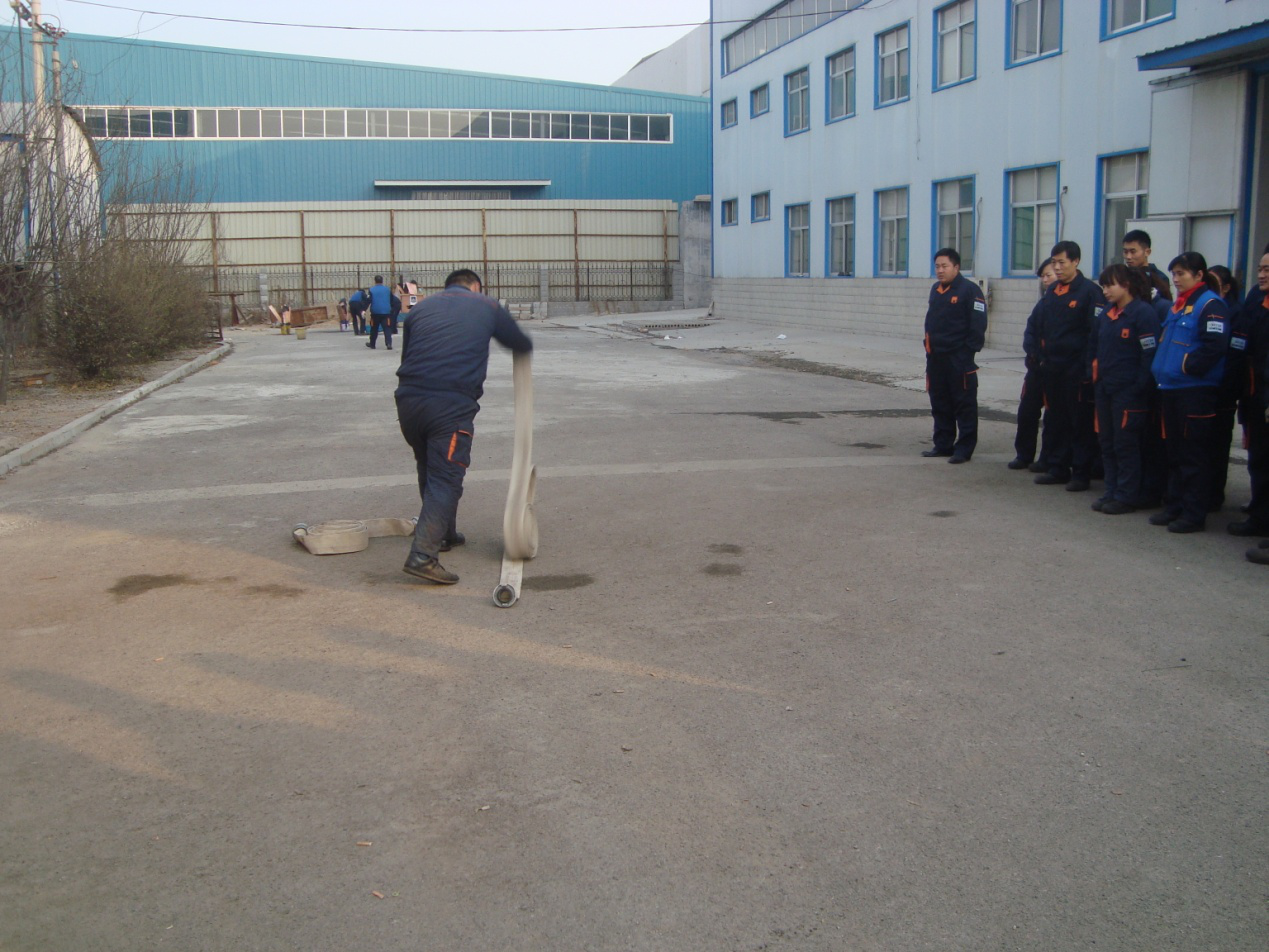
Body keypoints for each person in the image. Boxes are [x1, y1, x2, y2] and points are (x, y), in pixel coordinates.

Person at [394, 268, 533, 584]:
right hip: (449, 406)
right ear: (476, 286)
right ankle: (422, 555)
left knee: (429, 467)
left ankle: (444, 536)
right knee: (446, 476)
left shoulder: (422, 309)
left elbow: (408, 355)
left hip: (408, 402)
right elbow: (520, 342)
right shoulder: (486, 305)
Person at [1148, 252, 1231, 533]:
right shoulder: (1179, 306)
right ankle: (1174, 506)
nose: (1176, 279)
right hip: (1171, 389)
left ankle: (1193, 513)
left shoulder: (1210, 305)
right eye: (1174, 274)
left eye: (1182, 274)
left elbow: (1214, 346)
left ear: (1199, 275)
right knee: (1174, 452)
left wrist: (1187, 365)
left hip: (1194, 391)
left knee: (1192, 454)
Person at [1034, 241, 1105, 491]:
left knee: (1080, 424)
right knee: (1056, 419)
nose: (1057, 267)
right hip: (1053, 368)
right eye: (1054, 262)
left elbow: (1093, 334)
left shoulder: (1089, 292)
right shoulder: (1053, 292)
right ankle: (1058, 467)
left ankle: (1081, 472)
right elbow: (1043, 326)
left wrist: (1088, 370)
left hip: (1076, 370)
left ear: (1075, 261)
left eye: (1062, 262)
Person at [1090, 264, 1160, 514]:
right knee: (1107, 442)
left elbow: (1148, 355)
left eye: (1110, 285)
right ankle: (1111, 491)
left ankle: (1127, 494)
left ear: (1126, 285)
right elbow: (1095, 347)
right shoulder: (1107, 314)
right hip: (1105, 389)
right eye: (1104, 286)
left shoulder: (1142, 313)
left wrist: (1139, 387)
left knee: (1126, 444)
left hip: (1128, 392)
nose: (1106, 291)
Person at [920, 248, 987, 463]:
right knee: (940, 403)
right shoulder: (935, 290)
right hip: (936, 358)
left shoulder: (970, 290)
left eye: (944, 266)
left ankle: (964, 448)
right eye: (937, 266)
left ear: (956, 267)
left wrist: (966, 353)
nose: (940, 270)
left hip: (959, 359)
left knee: (964, 404)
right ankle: (943, 444)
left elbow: (978, 326)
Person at [1233, 250, 1269, 548]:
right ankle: (1259, 518)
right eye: (1260, 267)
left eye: (1268, 269)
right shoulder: (1256, 298)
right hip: (1255, 394)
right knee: (1258, 460)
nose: (1261, 274)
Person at [1009, 258, 1058, 471]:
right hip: (1036, 368)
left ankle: (1048, 458)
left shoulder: (1078, 298)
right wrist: (1034, 354)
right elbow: (1030, 332)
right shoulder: (1043, 303)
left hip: (1056, 369)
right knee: (1027, 412)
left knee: (1053, 417)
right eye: (1043, 276)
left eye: (1049, 275)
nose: (1045, 280)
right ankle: (1023, 454)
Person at [1207, 266, 1245, 513]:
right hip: (1205, 391)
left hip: (1224, 391)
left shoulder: (1235, 314)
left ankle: (1214, 495)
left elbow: (1234, 357)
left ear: (1227, 287)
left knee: (1218, 446)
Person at [365, 275, 395, 350]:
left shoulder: (371, 290)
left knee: (374, 328)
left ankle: (372, 344)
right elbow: (392, 300)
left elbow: (368, 300)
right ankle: (388, 343)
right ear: (382, 281)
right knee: (387, 328)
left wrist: (364, 309)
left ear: (375, 281)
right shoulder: (387, 290)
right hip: (386, 312)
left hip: (375, 312)